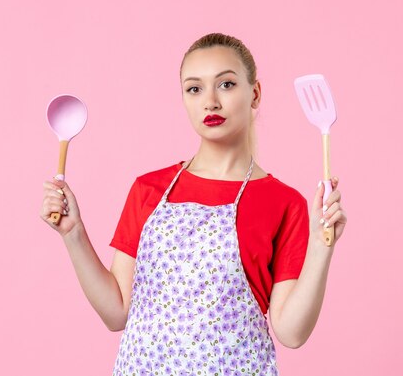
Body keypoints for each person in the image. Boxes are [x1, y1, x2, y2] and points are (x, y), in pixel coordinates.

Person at [40, 32, 347, 375]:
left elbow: (291, 332)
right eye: (195, 88)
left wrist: (322, 246)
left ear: (255, 93)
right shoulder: (149, 190)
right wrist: (73, 234)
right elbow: (117, 312)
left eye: (227, 85)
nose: (210, 102)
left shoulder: (283, 202)